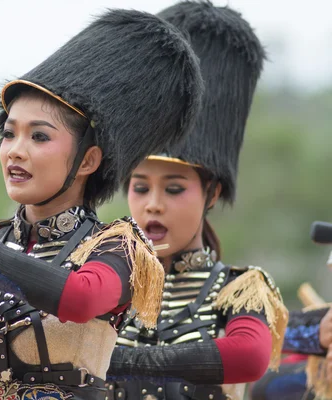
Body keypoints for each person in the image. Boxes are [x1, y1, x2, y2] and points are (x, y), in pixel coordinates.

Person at [0, 8, 204, 400]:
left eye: (39, 137)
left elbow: (80, 297)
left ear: (87, 161)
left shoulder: (118, 247)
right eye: (9, 133)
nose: (15, 151)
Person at [107, 2, 288, 400]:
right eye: (140, 188)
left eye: (174, 189)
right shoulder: (107, 282)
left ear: (212, 193)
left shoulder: (239, 287)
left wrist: (117, 361)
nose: (153, 204)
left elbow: (249, 355)